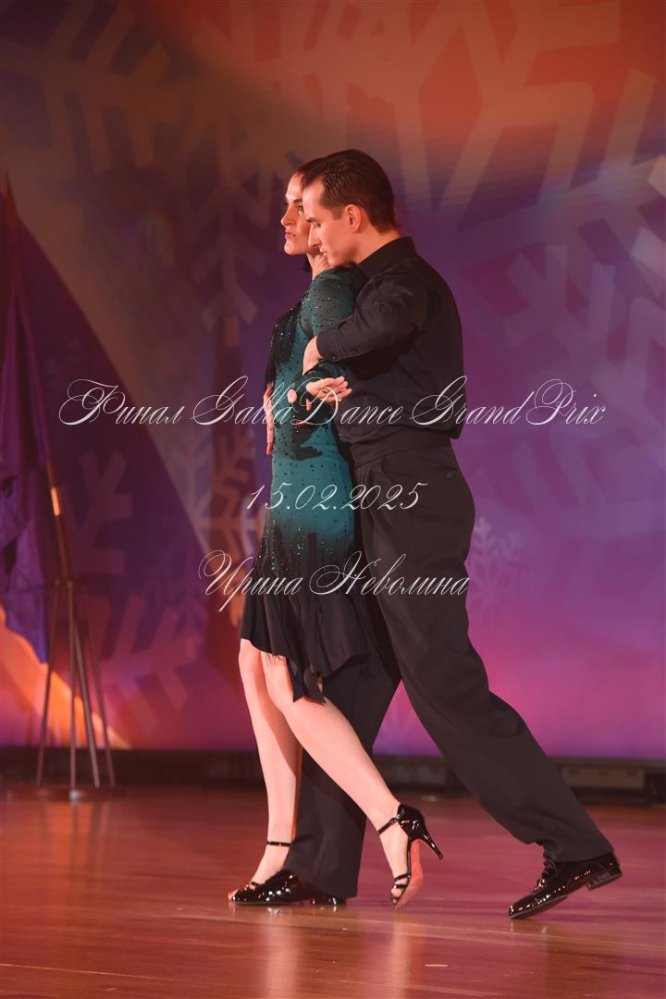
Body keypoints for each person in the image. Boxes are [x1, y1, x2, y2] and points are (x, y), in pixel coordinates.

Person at [290, 148, 622, 920]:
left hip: (412, 495)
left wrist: (321, 345)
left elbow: (380, 324)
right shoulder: (375, 285)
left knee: (443, 683)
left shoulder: (405, 282)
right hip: (382, 492)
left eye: (318, 220)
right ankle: (319, 866)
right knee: (352, 679)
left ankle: (575, 844)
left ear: (353, 215)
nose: (313, 234)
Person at [228, 162, 440, 910]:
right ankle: (281, 843)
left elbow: (344, 381)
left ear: (331, 221)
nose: (289, 220)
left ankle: (390, 818)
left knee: (286, 675)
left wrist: (314, 390)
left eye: (301, 208)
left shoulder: (330, 294)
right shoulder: (321, 294)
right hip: (296, 497)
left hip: (315, 504)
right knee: (256, 663)